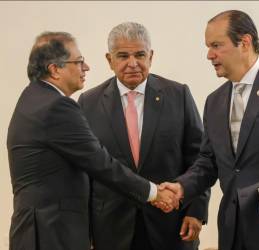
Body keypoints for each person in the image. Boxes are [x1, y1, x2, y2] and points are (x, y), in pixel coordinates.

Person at [6, 31, 177, 250]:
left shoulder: (32, 98)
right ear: (55, 69)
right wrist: (154, 193)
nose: (86, 68)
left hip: (36, 229)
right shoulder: (57, 107)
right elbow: (101, 163)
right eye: (79, 62)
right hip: (52, 231)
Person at [158, 10, 259, 250]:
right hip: (232, 229)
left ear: (244, 42)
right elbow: (208, 162)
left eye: (216, 45)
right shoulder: (214, 101)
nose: (209, 55)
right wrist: (181, 187)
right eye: (207, 46)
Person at [78, 22, 210, 250]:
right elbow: (84, 172)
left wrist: (197, 211)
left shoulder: (178, 95)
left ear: (151, 56)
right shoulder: (88, 103)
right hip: (110, 228)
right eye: (123, 56)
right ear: (109, 60)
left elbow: (200, 158)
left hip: (171, 225)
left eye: (140, 54)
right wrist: (85, 230)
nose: (132, 63)